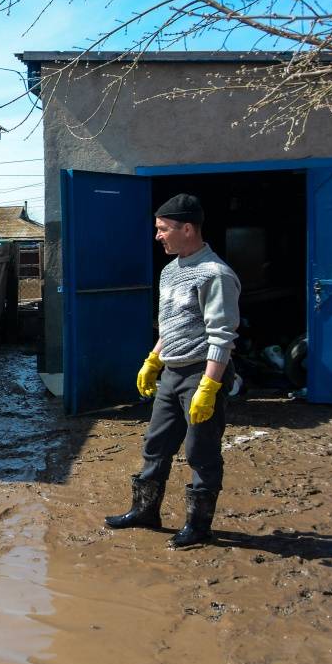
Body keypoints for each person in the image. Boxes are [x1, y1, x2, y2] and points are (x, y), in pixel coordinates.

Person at [104, 194, 241, 548]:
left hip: (202, 372)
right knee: (156, 443)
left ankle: (198, 526)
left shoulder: (216, 274)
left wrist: (209, 386)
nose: (158, 236)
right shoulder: (170, 271)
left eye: (163, 229)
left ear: (188, 228)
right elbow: (170, 326)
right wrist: (153, 359)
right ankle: (145, 511)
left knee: (201, 450)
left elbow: (222, 336)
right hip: (173, 372)